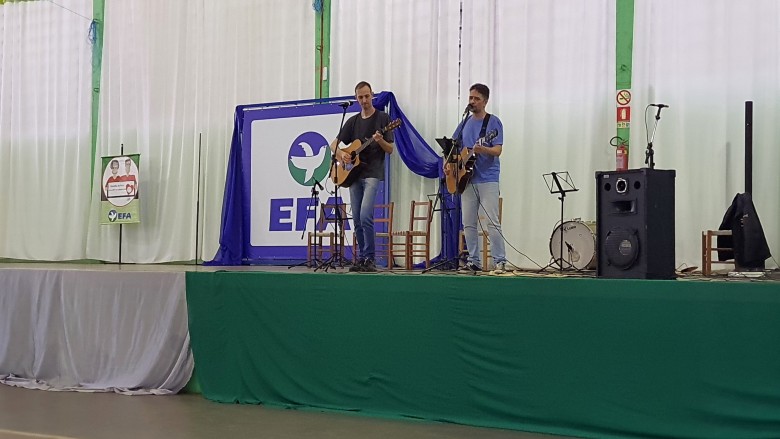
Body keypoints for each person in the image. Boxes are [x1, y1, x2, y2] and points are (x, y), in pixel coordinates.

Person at [330, 81, 394, 272]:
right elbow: (333, 145)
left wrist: (380, 140)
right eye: (360, 97)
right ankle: (362, 258)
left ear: (372, 95)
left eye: (367, 96)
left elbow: (390, 149)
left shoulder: (383, 118)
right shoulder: (353, 121)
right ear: (356, 98)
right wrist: (342, 155)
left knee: (366, 215)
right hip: (354, 175)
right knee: (356, 218)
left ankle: (370, 258)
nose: (364, 100)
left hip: (373, 173)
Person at [447, 83, 507, 274]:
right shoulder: (465, 123)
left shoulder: (493, 122)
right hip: (467, 179)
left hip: (488, 178)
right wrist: (449, 164)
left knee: (492, 221)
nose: (472, 101)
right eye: (470, 98)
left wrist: (484, 149)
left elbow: (498, 150)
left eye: (476, 99)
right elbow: (453, 147)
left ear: (485, 101)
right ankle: (474, 260)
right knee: (468, 223)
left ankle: (500, 261)